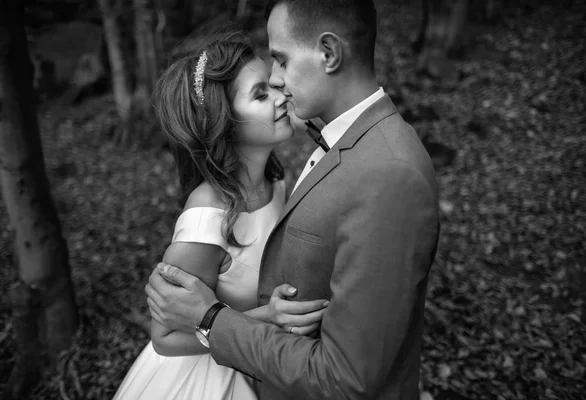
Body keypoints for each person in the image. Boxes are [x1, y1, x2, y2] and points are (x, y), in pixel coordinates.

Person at [146, 0, 440, 399]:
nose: (278, 81)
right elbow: (166, 328)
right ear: (225, 122)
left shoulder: (387, 173)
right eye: (262, 89)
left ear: (329, 53)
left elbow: (348, 375)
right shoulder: (341, 150)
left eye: (281, 61)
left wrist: (214, 319)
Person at [113, 30, 330, 400]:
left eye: (273, 85)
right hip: (203, 381)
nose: (282, 96)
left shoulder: (276, 183)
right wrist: (269, 318)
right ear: (224, 123)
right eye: (261, 94)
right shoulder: (207, 216)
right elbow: (165, 338)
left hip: (262, 364)